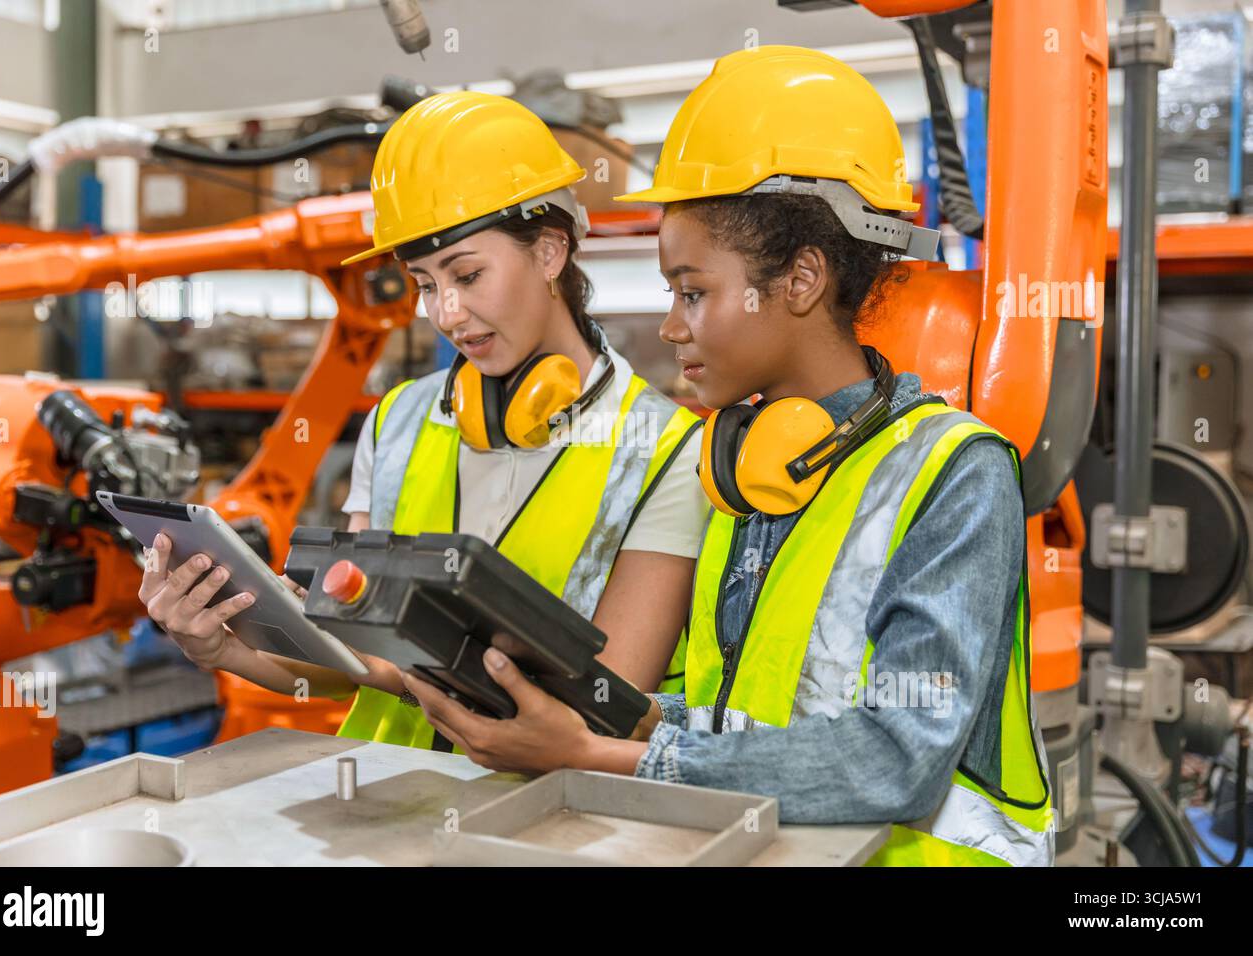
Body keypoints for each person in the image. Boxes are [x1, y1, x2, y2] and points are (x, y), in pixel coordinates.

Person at [399, 46, 1055, 866]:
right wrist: (614, 717)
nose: (672, 327)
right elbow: (753, 722)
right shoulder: (745, 471)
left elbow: (896, 760)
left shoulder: (955, 473)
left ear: (800, 279)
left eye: (693, 291)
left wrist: (600, 755)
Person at [139, 90, 709, 753]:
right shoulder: (400, 421)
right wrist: (224, 648)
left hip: (555, 830)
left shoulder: (664, 451)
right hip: (388, 809)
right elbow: (347, 658)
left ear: (551, 252)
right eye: (424, 284)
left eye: (467, 275)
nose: (445, 313)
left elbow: (603, 707)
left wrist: (400, 664)